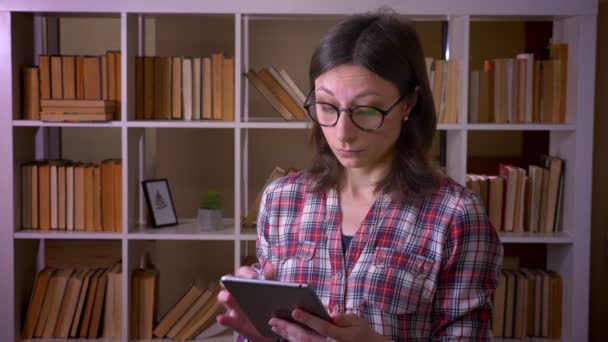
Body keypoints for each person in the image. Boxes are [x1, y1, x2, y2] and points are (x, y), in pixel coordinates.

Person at [217, 10, 503, 341]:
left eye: (366, 111)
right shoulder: (281, 199)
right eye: (326, 106)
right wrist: (259, 333)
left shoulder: (455, 214)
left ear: (409, 103)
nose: (342, 134)